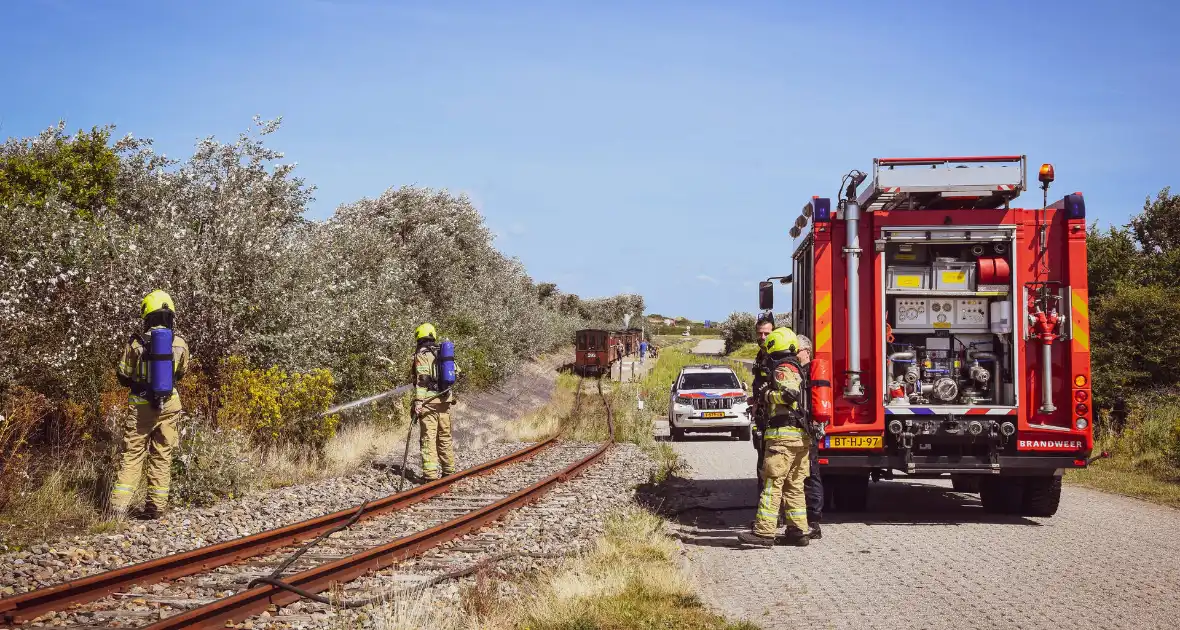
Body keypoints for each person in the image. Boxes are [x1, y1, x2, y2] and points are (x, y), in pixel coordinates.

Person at [108, 290, 191, 520]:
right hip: (170, 404)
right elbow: (181, 373)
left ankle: (117, 509)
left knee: (133, 455)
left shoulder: (136, 343)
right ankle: (156, 507)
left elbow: (123, 375)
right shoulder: (180, 343)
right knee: (162, 455)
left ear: (147, 314)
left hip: (141, 405)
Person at [738, 327, 811, 547]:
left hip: (783, 438)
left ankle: (764, 533)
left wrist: (766, 395)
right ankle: (798, 531)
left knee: (772, 484)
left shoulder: (782, 368)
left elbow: (789, 395)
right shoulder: (797, 367)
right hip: (799, 437)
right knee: (794, 485)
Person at [410, 323, 457, 481]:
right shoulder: (442, 352)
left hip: (429, 402)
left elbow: (422, 380)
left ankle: (430, 476)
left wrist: (418, 401)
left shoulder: (422, 354)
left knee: (428, 438)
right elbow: (457, 371)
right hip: (445, 400)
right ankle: (449, 470)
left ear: (419, 336)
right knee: (444, 436)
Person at [794, 335, 824, 540]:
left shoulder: (809, 373)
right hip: (801, 429)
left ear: (806, 350)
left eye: (796, 350)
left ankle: (813, 520)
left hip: (808, 430)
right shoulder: (800, 372)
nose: (793, 354)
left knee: (811, 474)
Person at [749, 315, 776, 488]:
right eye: (760, 334)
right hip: (762, 417)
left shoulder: (776, 355)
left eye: (766, 333)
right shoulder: (761, 354)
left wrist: (762, 399)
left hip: (774, 417)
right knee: (762, 462)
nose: (763, 337)